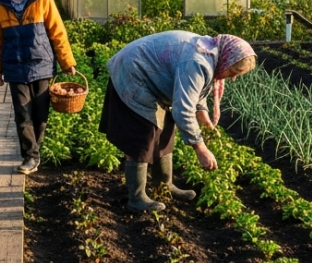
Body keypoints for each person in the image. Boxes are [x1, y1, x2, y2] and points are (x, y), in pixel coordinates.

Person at [99, 31, 257, 212]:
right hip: (133, 73)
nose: (233, 77)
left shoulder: (211, 52)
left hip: (151, 77)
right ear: (227, 60)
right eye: (233, 72)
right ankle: (137, 198)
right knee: (142, 136)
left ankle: (164, 186)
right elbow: (183, 109)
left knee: (165, 129)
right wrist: (201, 148)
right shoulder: (197, 62)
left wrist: (203, 114)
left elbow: (195, 89)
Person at [0, 0, 77, 174]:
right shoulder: (0, 6)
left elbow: (58, 32)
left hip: (42, 66)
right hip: (14, 67)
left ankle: (34, 152)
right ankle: (30, 156)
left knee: (40, 115)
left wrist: (67, 62)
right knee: (22, 114)